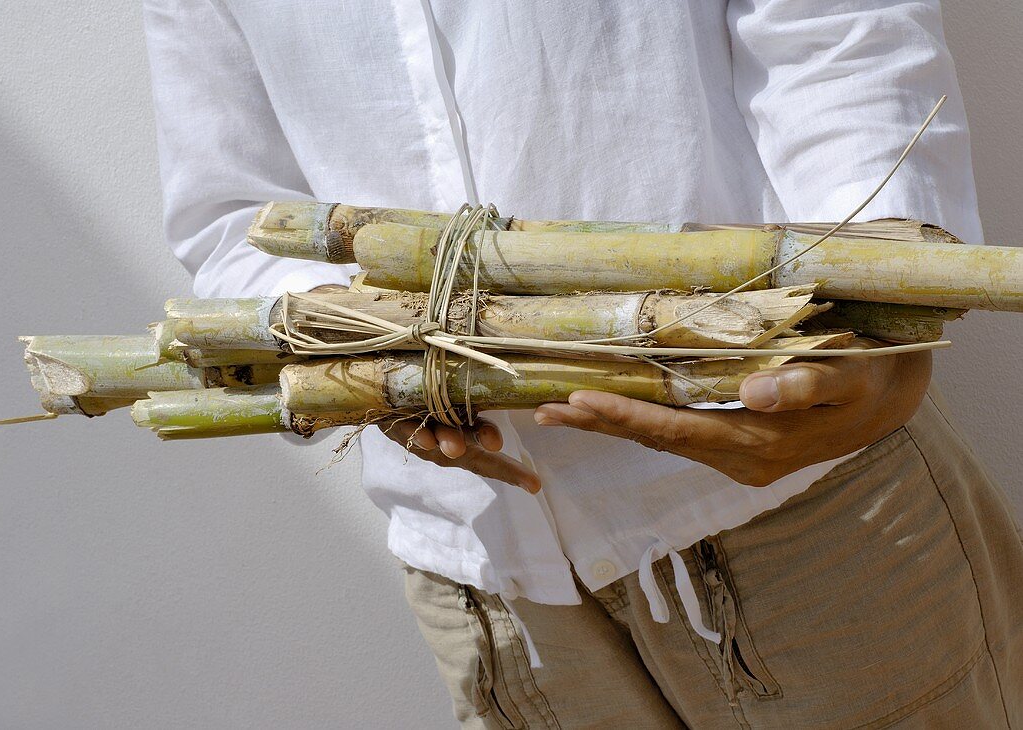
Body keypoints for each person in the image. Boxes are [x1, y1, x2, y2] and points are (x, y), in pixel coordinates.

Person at [143, 1, 1023, 726]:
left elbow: (835, 33)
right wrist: (372, 357)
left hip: (807, 500)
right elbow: (235, 217)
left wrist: (878, 317)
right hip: (485, 578)